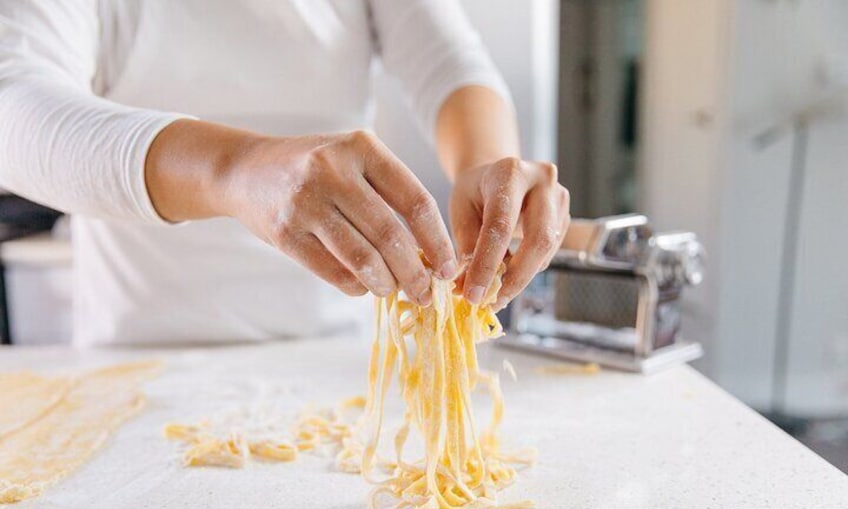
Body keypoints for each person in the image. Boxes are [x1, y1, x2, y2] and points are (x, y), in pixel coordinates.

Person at [0, 0, 570, 346]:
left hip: (333, 355)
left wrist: (489, 164)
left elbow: (449, 64)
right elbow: (14, 103)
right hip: (143, 358)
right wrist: (236, 170)